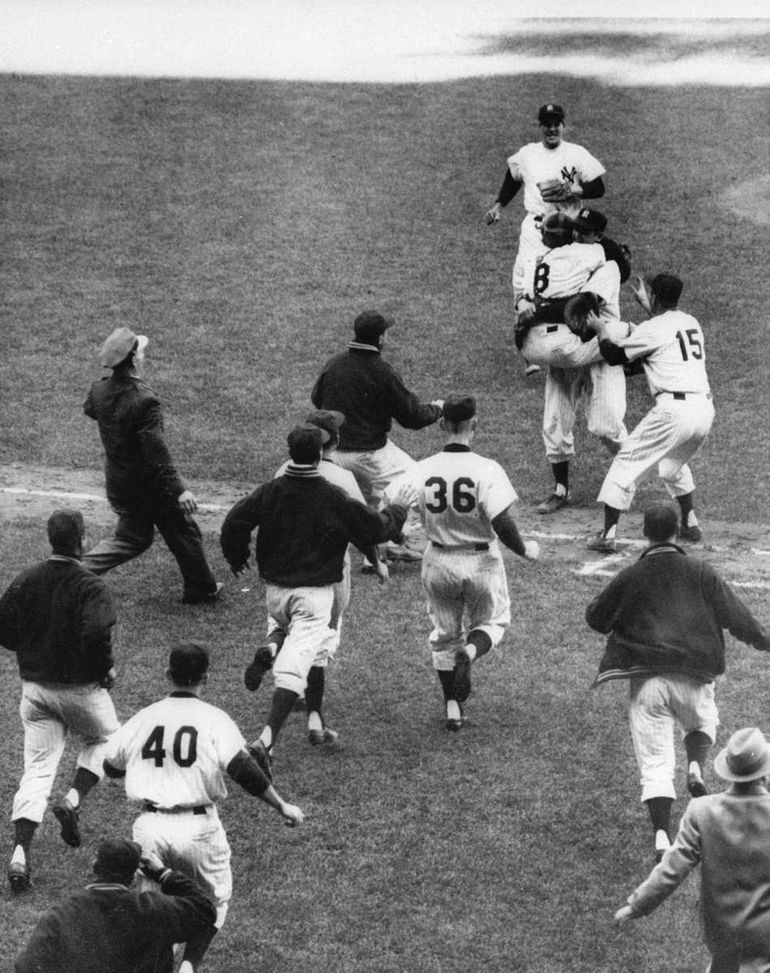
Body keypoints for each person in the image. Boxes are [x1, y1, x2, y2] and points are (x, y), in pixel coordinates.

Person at [102, 643, 305, 973]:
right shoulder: (213, 719)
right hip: (198, 831)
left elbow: (111, 766)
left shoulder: (144, 717)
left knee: (155, 909)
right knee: (214, 903)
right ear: (205, 678)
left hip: (150, 827)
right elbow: (242, 768)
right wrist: (281, 806)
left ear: (168, 675)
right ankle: (189, 967)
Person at [586, 503, 770, 863]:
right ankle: (696, 766)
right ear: (678, 530)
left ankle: (661, 837)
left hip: (648, 683)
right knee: (702, 722)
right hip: (694, 675)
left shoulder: (631, 574)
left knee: (654, 764)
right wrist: (766, 641)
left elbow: (596, 618)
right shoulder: (701, 571)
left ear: (645, 533)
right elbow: (739, 619)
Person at [220, 424, 407, 759]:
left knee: (286, 633)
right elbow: (374, 528)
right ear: (321, 453)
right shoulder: (331, 495)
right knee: (296, 668)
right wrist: (398, 511)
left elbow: (235, 522)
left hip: (276, 594)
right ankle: (266, 740)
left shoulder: (271, 489)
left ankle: (279, 662)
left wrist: (237, 557)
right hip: (314, 595)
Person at [391, 395, 540, 730]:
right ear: (476, 424)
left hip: (438, 560)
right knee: (493, 622)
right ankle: (470, 653)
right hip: (480, 560)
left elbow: (393, 506)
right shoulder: (487, 468)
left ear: (442, 424)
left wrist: (395, 534)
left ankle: (453, 710)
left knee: (444, 635)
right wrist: (524, 550)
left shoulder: (422, 468)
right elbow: (502, 523)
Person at [0, 509, 120, 893]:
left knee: (37, 768)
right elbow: (97, 631)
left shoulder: (27, 578)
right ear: (82, 540)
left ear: (50, 538)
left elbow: (3, 625)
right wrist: (104, 669)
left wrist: (31, 650)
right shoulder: (90, 585)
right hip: (80, 691)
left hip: (34, 691)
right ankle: (73, 797)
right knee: (107, 741)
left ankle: (20, 854)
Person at [245, 408, 380, 745]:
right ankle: (315, 719)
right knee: (321, 640)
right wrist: (376, 560)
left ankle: (273, 648)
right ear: (331, 442)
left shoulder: (281, 472)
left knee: (284, 623)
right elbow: (363, 528)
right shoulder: (341, 480)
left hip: (282, 573)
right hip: (327, 575)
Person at [82, 326, 222, 603]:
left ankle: (74, 571)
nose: (144, 355)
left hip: (120, 482)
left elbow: (91, 410)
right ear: (133, 360)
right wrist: (180, 489)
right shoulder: (144, 401)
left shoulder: (98, 390)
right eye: (141, 352)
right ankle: (201, 589)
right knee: (177, 533)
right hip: (150, 488)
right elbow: (156, 451)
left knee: (140, 536)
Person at [615, 726, 770, 972]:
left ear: (729, 772)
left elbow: (672, 866)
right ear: (765, 774)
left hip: (724, 943)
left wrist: (637, 905)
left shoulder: (701, 811)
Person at [585, 272, 714, 552]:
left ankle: (607, 535)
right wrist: (649, 305)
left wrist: (600, 329)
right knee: (671, 464)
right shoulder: (690, 321)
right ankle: (690, 523)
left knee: (626, 461)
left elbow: (615, 355)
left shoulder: (652, 329)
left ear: (655, 296)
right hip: (703, 411)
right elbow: (664, 330)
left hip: (673, 412)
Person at [515, 212, 630, 514]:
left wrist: (534, 310)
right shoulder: (581, 257)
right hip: (570, 344)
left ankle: (630, 472)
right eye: (577, 231)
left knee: (605, 427)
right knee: (554, 422)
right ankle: (560, 489)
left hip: (598, 347)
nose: (580, 236)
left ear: (597, 236)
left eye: (587, 232)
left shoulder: (608, 265)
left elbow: (615, 271)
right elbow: (561, 303)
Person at [311, 309, 443, 564]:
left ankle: (377, 556)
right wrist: (439, 409)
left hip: (334, 454)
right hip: (369, 453)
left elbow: (318, 400)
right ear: (380, 338)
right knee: (416, 481)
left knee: (370, 499)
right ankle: (404, 537)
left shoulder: (334, 363)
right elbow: (412, 416)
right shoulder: (382, 371)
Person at [485, 102, 606, 375]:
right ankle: (527, 347)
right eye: (546, 124)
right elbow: (513, 176)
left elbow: (599, 186)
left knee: (572, 281)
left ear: (563, 125)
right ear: (540, 126)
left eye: (556, 123)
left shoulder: (576, 153)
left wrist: (573, 187)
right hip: (535, 227)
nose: (552, 128)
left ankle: (579, 338)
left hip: (568, 228)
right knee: (523, 282)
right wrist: (498, 205)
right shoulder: (528, 154)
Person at [14, 837, 216, 973]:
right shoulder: (154, 908)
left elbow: (26, 966)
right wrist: (163, 873)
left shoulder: (62, 912)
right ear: (133, 875)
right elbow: (205, 910)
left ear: (95, 867)